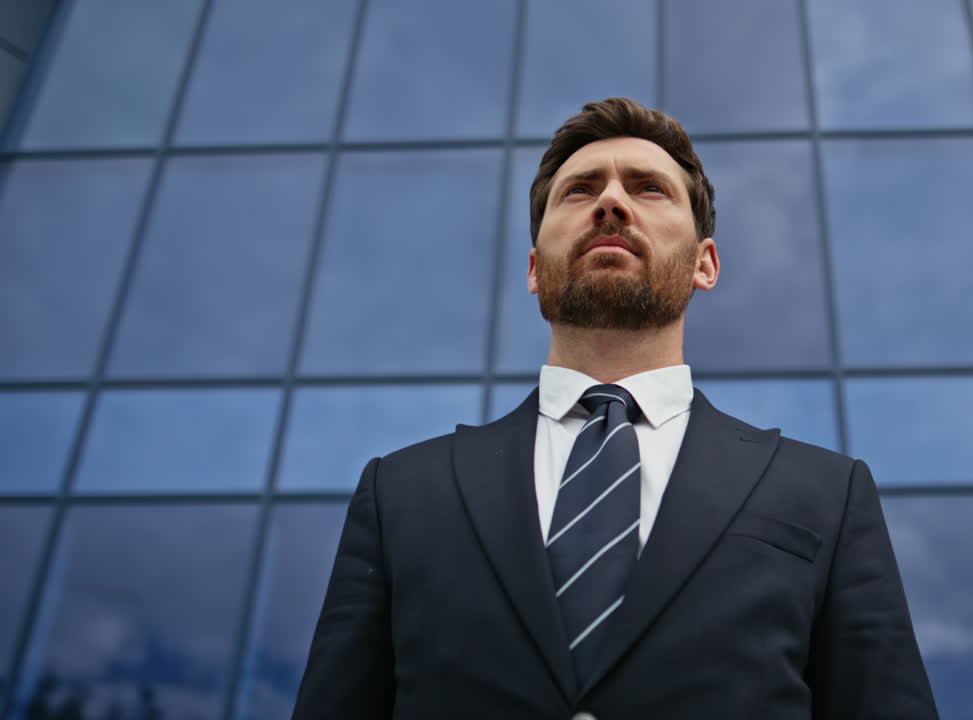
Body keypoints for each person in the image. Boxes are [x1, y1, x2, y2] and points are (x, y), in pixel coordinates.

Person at [292, 97, 938, 719]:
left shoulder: (827, 493)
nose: (611, 202)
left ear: (705, 264)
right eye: (580, 190)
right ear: (534, 270)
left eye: (648, 188)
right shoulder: (401, 492)